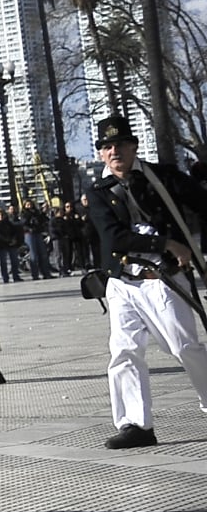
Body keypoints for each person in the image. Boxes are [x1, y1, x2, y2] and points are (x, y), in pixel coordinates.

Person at [85, 115, 207, 449]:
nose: (115, 151)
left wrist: (196, 250)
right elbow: (114, 238)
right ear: (100, 154)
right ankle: (136, 425)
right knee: (123, 352)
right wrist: (166, 243)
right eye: (107, 146)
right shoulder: (97, 192)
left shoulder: (164, 177)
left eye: (121, 144)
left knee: (184, 347)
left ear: (133, 145)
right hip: (123, 282)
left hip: (163, 279)